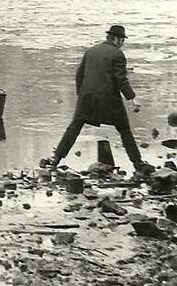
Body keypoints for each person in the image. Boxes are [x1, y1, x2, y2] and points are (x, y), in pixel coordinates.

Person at [42, 25, 155, 175]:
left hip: (86, 98)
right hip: (108, 100)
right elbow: (121, 79)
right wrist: (132, 98)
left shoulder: (91, 50)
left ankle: (55, 160)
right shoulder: (118, 54)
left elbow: (79, 75)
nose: (122, 43)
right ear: (116, 39)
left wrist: (81, 95)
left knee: (75, 127)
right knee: (124, 129)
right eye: (122, 40)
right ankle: (137, 163)